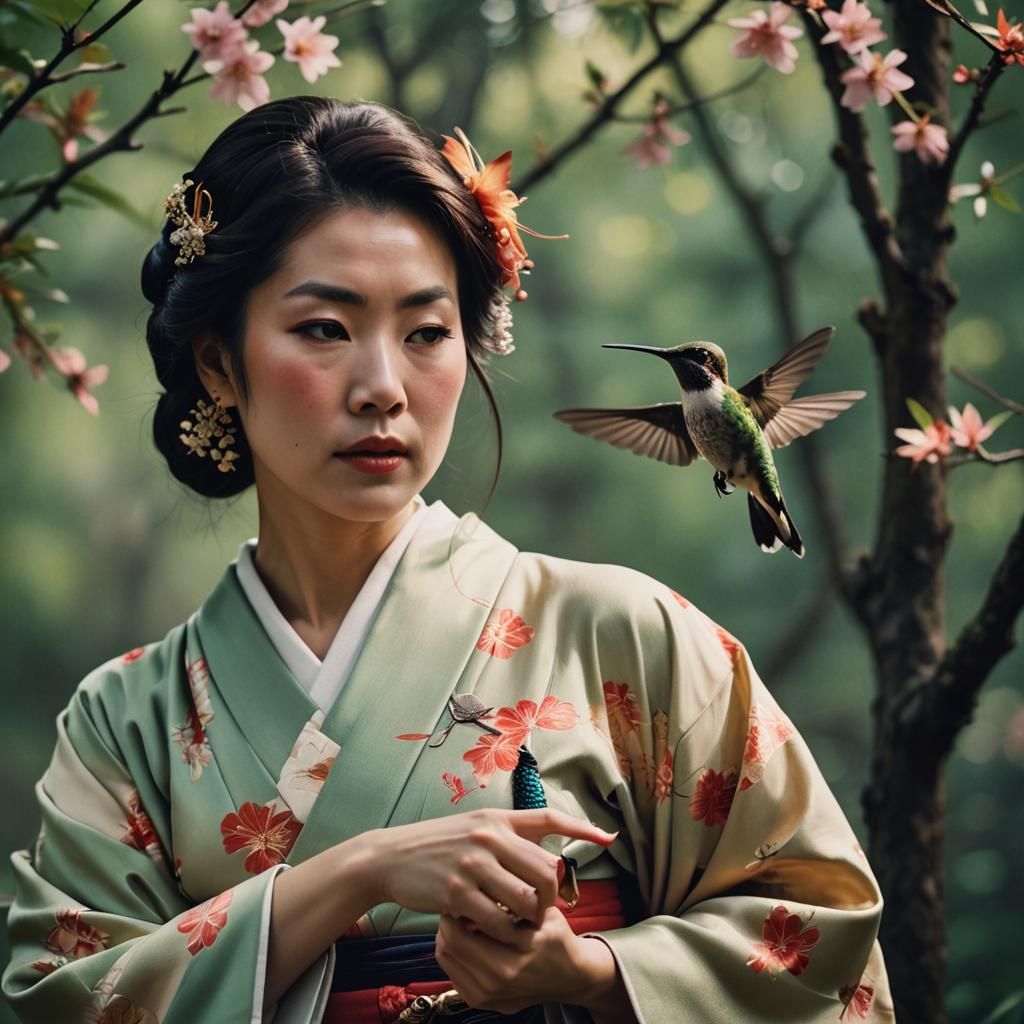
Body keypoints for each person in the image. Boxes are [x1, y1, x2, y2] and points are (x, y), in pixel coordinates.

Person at [2, 97, 893, 1024]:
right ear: (220, 363)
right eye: (323, 329)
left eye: (427, 333)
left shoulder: (627, 639)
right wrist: (357, 873)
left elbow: (824, 938)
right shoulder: (126, 726)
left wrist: (594, 973)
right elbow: (62, 1003)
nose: (383, 387)